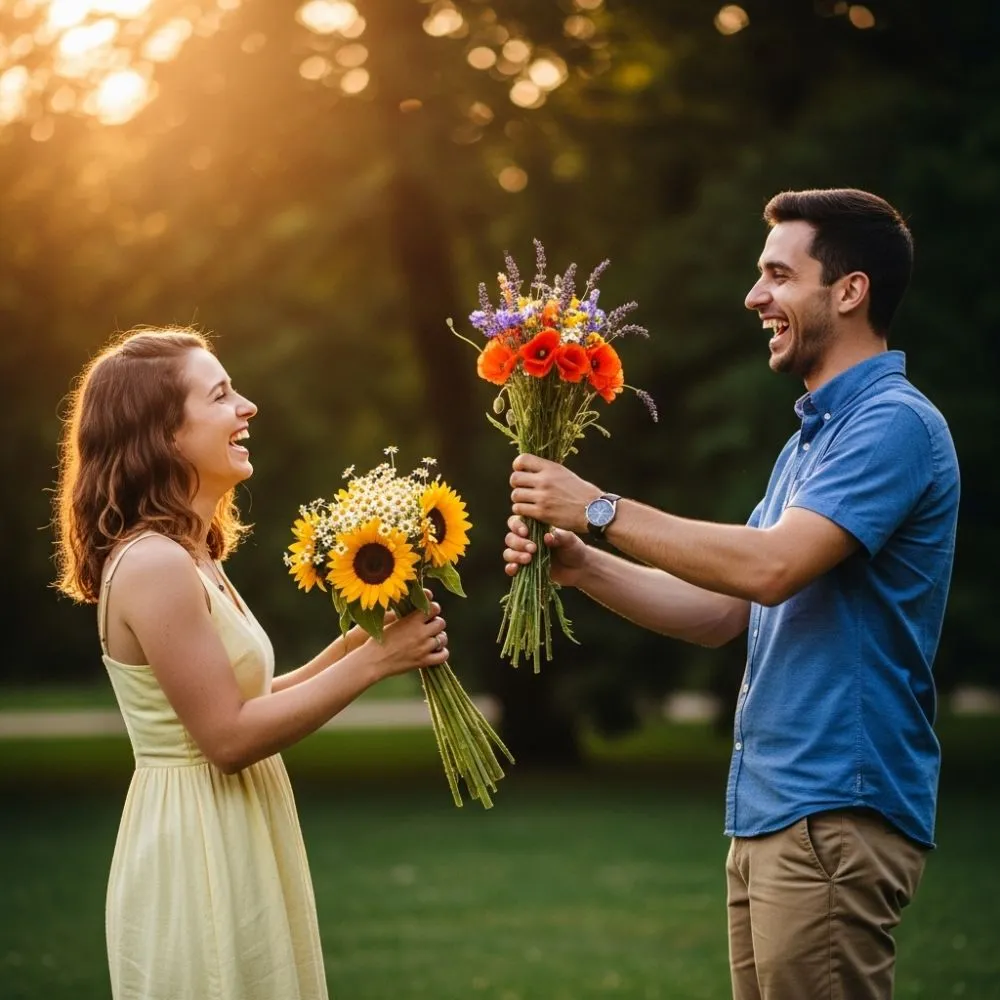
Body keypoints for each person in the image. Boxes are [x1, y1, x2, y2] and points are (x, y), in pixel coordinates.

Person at [502, 188, 960, 1000]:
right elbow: (725, 613)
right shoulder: (809, 445)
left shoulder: (893, 424)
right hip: (775, 814)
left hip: (833, 809)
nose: (755, 297)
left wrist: (599, 509)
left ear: (849, 291)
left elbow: (769, 567)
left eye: (779, 275)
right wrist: (583, 565)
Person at [52, 326, 450, 1000]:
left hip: (236, 824)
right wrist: (376, 665)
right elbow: (228, 738)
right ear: (165, 434)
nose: (248, 407)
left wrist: (359, 644)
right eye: (220, 396)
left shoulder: (192, 555)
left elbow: (250, 699)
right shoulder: (153, 564)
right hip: (196, 844)